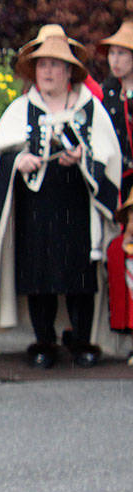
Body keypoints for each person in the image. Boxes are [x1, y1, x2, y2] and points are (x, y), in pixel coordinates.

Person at [0, 28, 121, 367]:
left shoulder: (91, 109)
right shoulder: (20, 109)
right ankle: (43, 341)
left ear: (69, 71)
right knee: (39, 273)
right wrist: (18, 160)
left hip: (77, 204)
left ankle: (83, 341)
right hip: (37, 205)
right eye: (42, 65)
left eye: (55, 65)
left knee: (81, 274)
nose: (47, 72)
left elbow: (110, 157)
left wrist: (83, 159)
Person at [95, 21, 133, 338]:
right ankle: (120, 325)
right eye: (113, 53)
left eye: (122, 53)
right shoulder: (105, 92)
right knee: (115, 251)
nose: (115, 60)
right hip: (115, 182)